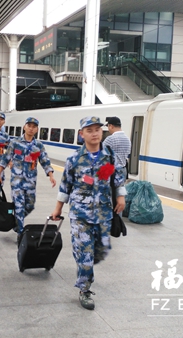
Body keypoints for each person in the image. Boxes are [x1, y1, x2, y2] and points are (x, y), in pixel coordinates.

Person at [50, 116, 126, 311]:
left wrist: (121, 197)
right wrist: (58, 208)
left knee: (98, 252)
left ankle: (87, 269)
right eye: (89, 130)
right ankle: (84, 289)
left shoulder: (108, 157)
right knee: (85, 253)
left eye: (97, 129)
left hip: (103, 214)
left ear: (103, 132)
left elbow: (116, 179)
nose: (94, 133)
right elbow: (65, 185)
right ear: (81, 134)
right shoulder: (74, 160)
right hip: (80, 214)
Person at [0, 117, 56, 236]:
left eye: (34, 126)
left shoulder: (38, 146)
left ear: (37, 129)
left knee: (30, 206)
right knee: (19, 206)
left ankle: (16, 221)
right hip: (17, 182)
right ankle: (21, 234)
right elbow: (5, 159)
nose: (31, 128)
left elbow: (45, 161)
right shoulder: (15, 142)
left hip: (31, 182)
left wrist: (51, 175)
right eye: (29, 126)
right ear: (24, 127)